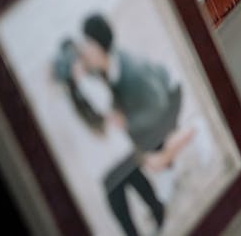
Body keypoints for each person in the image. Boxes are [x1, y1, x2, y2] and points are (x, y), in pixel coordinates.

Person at [72, 13, 196, 236]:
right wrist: (80, 79)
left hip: (170, 98)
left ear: (100, 46)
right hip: (148, 103)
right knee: (136, 156)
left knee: (150, 157)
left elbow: (158, 105)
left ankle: (185, 139)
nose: (84, 50)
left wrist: (127, 122)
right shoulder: (104, 65)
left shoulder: (131, 71)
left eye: (87, 44)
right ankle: (162, 190)